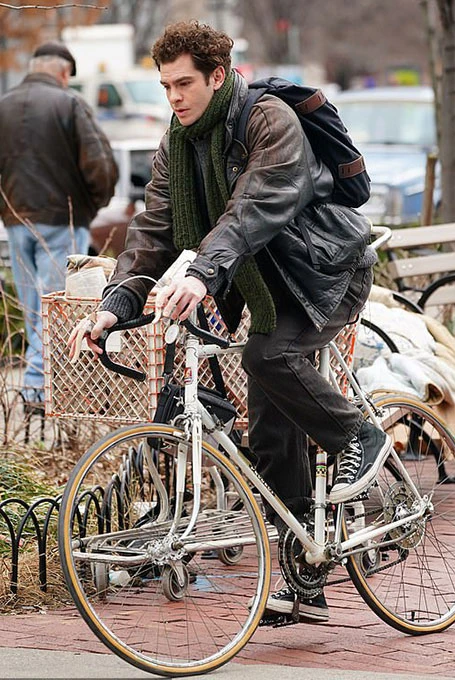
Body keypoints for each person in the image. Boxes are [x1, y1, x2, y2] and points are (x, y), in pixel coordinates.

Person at [68, 21, 391, 622]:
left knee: (266, 358)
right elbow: (154, 232)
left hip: (322, 274)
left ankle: (359, 437)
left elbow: (257, 206)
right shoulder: (177, 143)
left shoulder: (269, 120)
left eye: (184, 83)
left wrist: (202, 273)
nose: (174, 97)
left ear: (219, 76)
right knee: (270, 432)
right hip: (257, 282)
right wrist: (112, 307)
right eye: (164, 86)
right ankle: (306, 577)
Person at [0, 41, 118, 405]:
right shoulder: (69, 104)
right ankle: (40, 391)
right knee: (58, 310)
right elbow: (99, 164)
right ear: (64, 72)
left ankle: (38, 389)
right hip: (61, 221)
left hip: (15, 220)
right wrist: (93, 204)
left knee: (35, 308)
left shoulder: (2, 106)